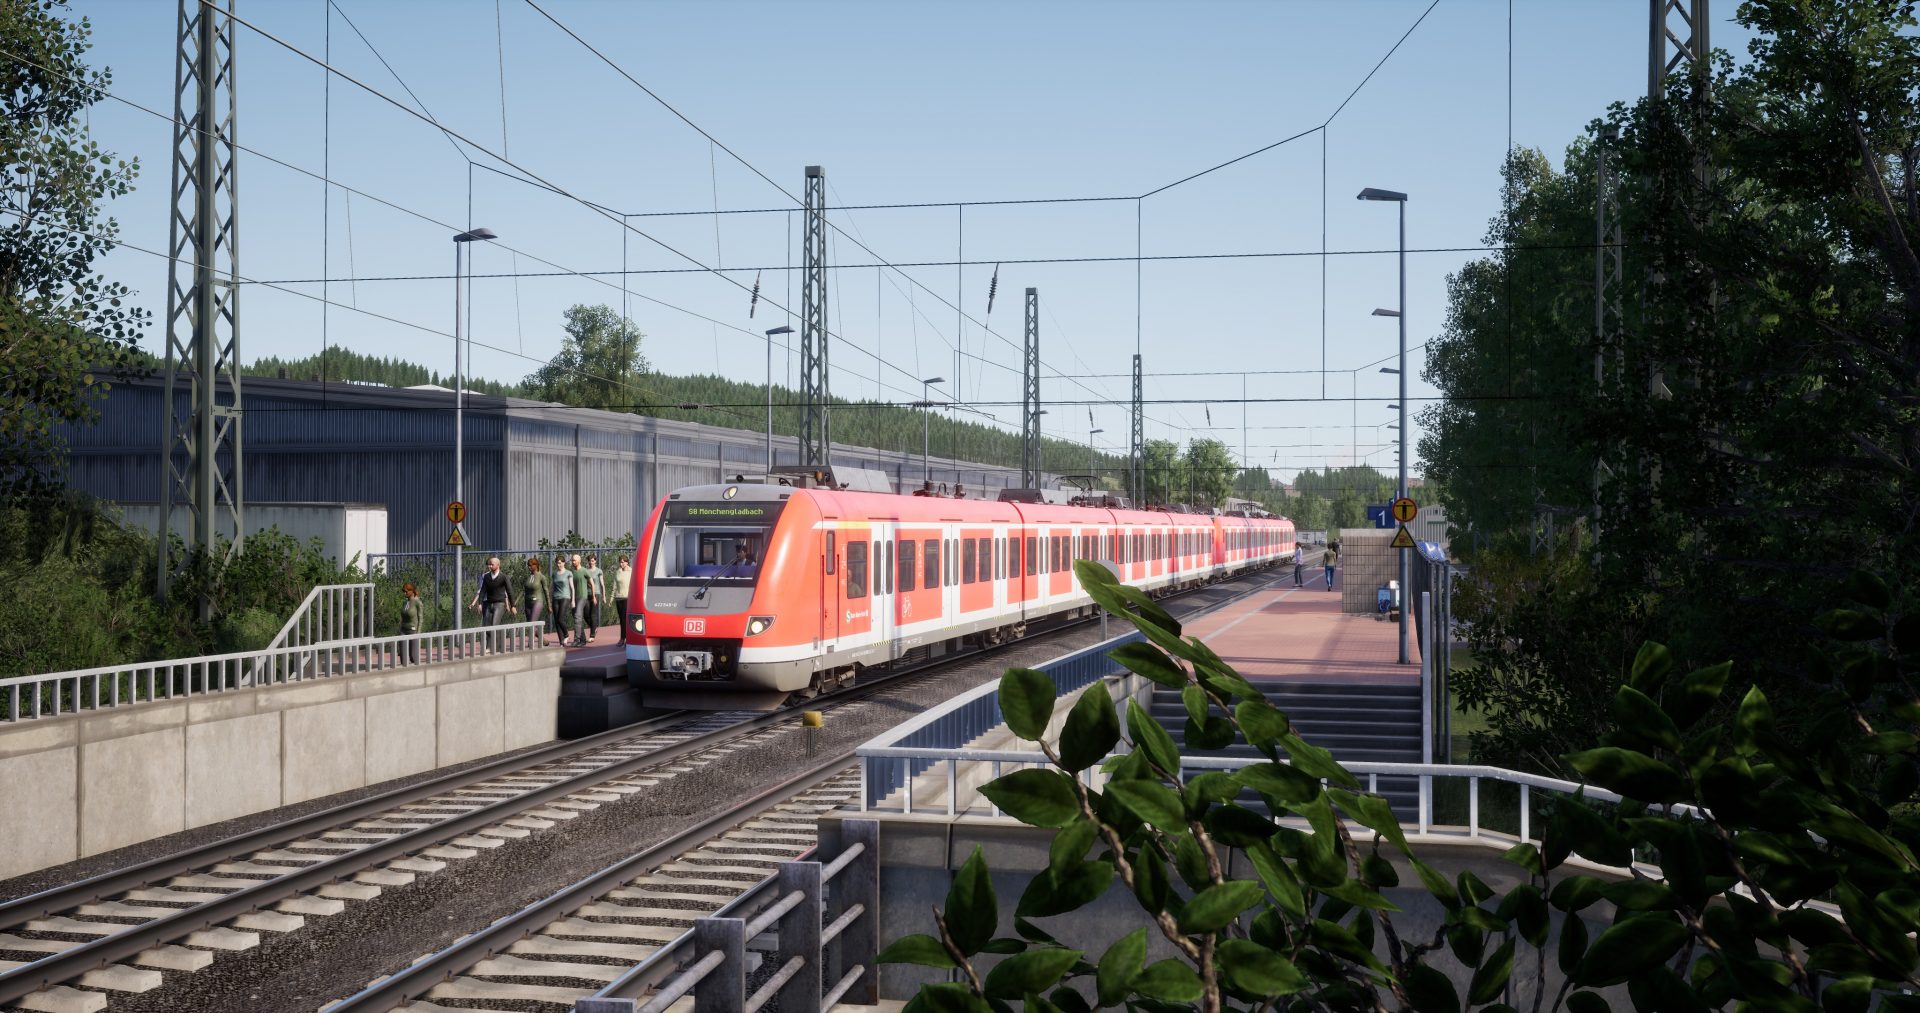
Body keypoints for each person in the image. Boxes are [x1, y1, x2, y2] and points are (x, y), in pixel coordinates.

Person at [470, 555, 517, 628]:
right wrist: (480, 603)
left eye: (492, 564)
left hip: (499, 604)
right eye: (489, 564)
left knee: (494, 625)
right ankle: (494, 636)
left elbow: (509, 591)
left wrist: (512, 606)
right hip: (489, 604)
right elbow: (483, 590)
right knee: (486, 627)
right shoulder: (486, 577)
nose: (490, 566)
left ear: (498, 565)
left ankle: (497, 635)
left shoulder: (503, 577)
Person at [551, 555, 574, 648]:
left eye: (560, 563)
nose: (558, 565)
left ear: (564, 563)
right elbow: (552, 587)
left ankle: (566, 634)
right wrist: (550, 599)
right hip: (555, 598)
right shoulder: (554, 574)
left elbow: (572, 587)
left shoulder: (568, 573)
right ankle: (561, 641)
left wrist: (573, 600)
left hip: (565, 597)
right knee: (556, 621)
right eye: (557, 563)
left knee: (560, 618)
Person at [524, 557, 550, 641]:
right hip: (528, 603)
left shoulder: (541, 576)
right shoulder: (529, 577)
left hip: (537, 601)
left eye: (531, 565)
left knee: (532, 623)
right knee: (530, 624)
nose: (529, 567)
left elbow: (546, 591)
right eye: (528, 565)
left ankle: (530, 642)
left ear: (536, 565)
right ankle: (544, 640)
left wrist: (549, 605)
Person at [569, 552, 592, 647]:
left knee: (578, 617)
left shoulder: (584, 571)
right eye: (572, 560)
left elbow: (591, 583)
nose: (573, 562)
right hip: (574, 597)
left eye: (574, 560)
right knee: (577, 618)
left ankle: (577, 639)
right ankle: (583, 640)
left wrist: (593, 596)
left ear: (579, 561)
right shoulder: (571, 572)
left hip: (583, 597)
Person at [399, 582, 422, 664]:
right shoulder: (405, 603)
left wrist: (418, 632)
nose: (404, 593)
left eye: (406, 591)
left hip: (412, 630)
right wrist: (400, 628)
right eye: (403, 591)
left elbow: (420, 618)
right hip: (403, 629)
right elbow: (402, 617)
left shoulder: (417, 602)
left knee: (413, 655)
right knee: (403, 654)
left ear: (412, 591)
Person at [584, 554, 605, 643]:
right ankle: (594, 627)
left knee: (593, 614)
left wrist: (604, 596)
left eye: (592, 560)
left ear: (595, 561)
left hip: (596, 594)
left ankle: (592, 635)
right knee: (586, 614)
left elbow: (602, 584)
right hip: (586, 594)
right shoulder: (586, 571)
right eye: (589, 560)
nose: (591, 562)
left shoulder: (599, 571)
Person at [612, 555, 633, 637]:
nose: (621, 564)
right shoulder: (618, 572)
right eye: (620, 562)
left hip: (627, 598)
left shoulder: (632, 572)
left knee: (625, 618)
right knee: (621, 619)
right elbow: (615, 586)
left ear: (627, 562)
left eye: (623, 562)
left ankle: (624, 637)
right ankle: (624, 637)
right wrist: (612, 598)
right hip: (618, 598)